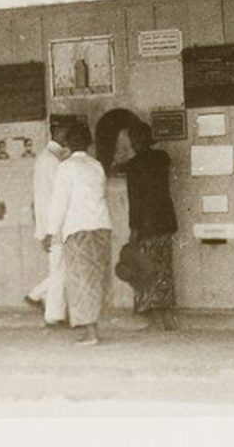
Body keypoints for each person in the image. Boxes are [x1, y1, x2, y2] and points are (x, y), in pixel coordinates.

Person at [47, 121, 113, 346]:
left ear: (67, 144)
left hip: (78, 229)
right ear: (89, 143)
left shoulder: (65, 168)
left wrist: (51, 232)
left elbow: (59, 203)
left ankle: (90, 333)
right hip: (101, 227)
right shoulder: (97, 166)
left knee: (79, 281)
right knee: (95, 279)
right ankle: (91, 328)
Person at [124, 121, 179, 330]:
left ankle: (154, 321)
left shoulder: (133, 165)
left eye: (133, 139)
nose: (132, 143)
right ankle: (167, 319)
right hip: (165, 222)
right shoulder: (162, 157)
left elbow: (135, 201)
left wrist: (133, 230)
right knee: (164, 269)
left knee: (147, 271)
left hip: (146, 226)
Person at [25, 124, 69, 326]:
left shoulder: (46, 157)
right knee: (60, 269)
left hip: (50, 222)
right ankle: (52, 313)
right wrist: (50, 230)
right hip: (55, 223)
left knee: (60, 268)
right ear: (58, 133)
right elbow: (55, 198)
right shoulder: (52, 161)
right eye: (66, 133)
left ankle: (38, 296)